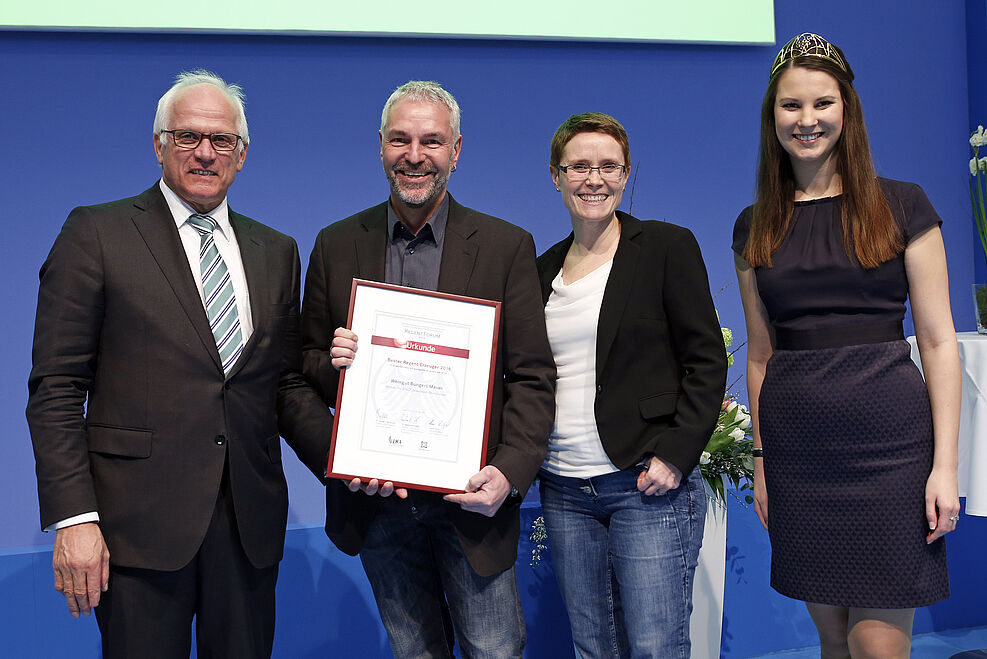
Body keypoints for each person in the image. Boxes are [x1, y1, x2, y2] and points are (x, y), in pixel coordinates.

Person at [25, 70, 332, 658]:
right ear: (159, 145)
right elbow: (56, 388)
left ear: (242, 154)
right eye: (188, 136)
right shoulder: (97, 233)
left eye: (221, 140)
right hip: (136, 530)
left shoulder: (277, 251)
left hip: (248, 529)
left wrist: (346, 460)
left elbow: (282, 384)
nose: (205, 152)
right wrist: (75, 517)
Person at [301, 80, 556, 658]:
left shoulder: (505, 246)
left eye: (431, 141)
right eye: (400, 140)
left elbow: (533, 377)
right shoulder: (336, 244)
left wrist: (509, 472)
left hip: (473, 500)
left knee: (494, 651)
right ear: (380, 146)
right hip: (376, 504)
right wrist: (341, 455)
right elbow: (301, 371)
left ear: (456, 151)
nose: (414, 156)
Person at [733, 33, 961, 658]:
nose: (806, 120)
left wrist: (945, 467)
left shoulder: (903, 204)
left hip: (891, 453)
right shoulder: (754, 225)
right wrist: (762, 462)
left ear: (847, 110)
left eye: (822, 103)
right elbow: (761, 356)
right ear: (772, 116)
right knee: (834, 645)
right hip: (800, 456)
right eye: (790, 105)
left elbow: (938, 341)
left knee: (877, 649)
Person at [536, 112, 727, 658]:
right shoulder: (540, 269)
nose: (593, 179)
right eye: (579, 166)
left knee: (654, 648)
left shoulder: (665, 246)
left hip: (644, 483)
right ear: (556, 175)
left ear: (624, 175)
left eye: (608, 167)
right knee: (593, 648)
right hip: (564, 490)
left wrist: (676, 456)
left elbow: (705, 360)